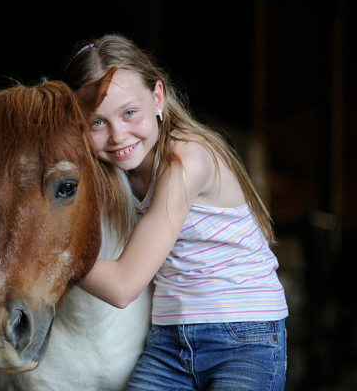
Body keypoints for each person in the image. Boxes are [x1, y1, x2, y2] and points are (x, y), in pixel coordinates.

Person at [62, 33, 288, 391]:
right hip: (169, 343)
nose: (118, 135)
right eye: (96, 122)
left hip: (245, 337)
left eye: (130, 112)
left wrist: (45, 256)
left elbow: (123, 285)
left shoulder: (187, 159)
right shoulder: (112, 175)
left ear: (157, 97)